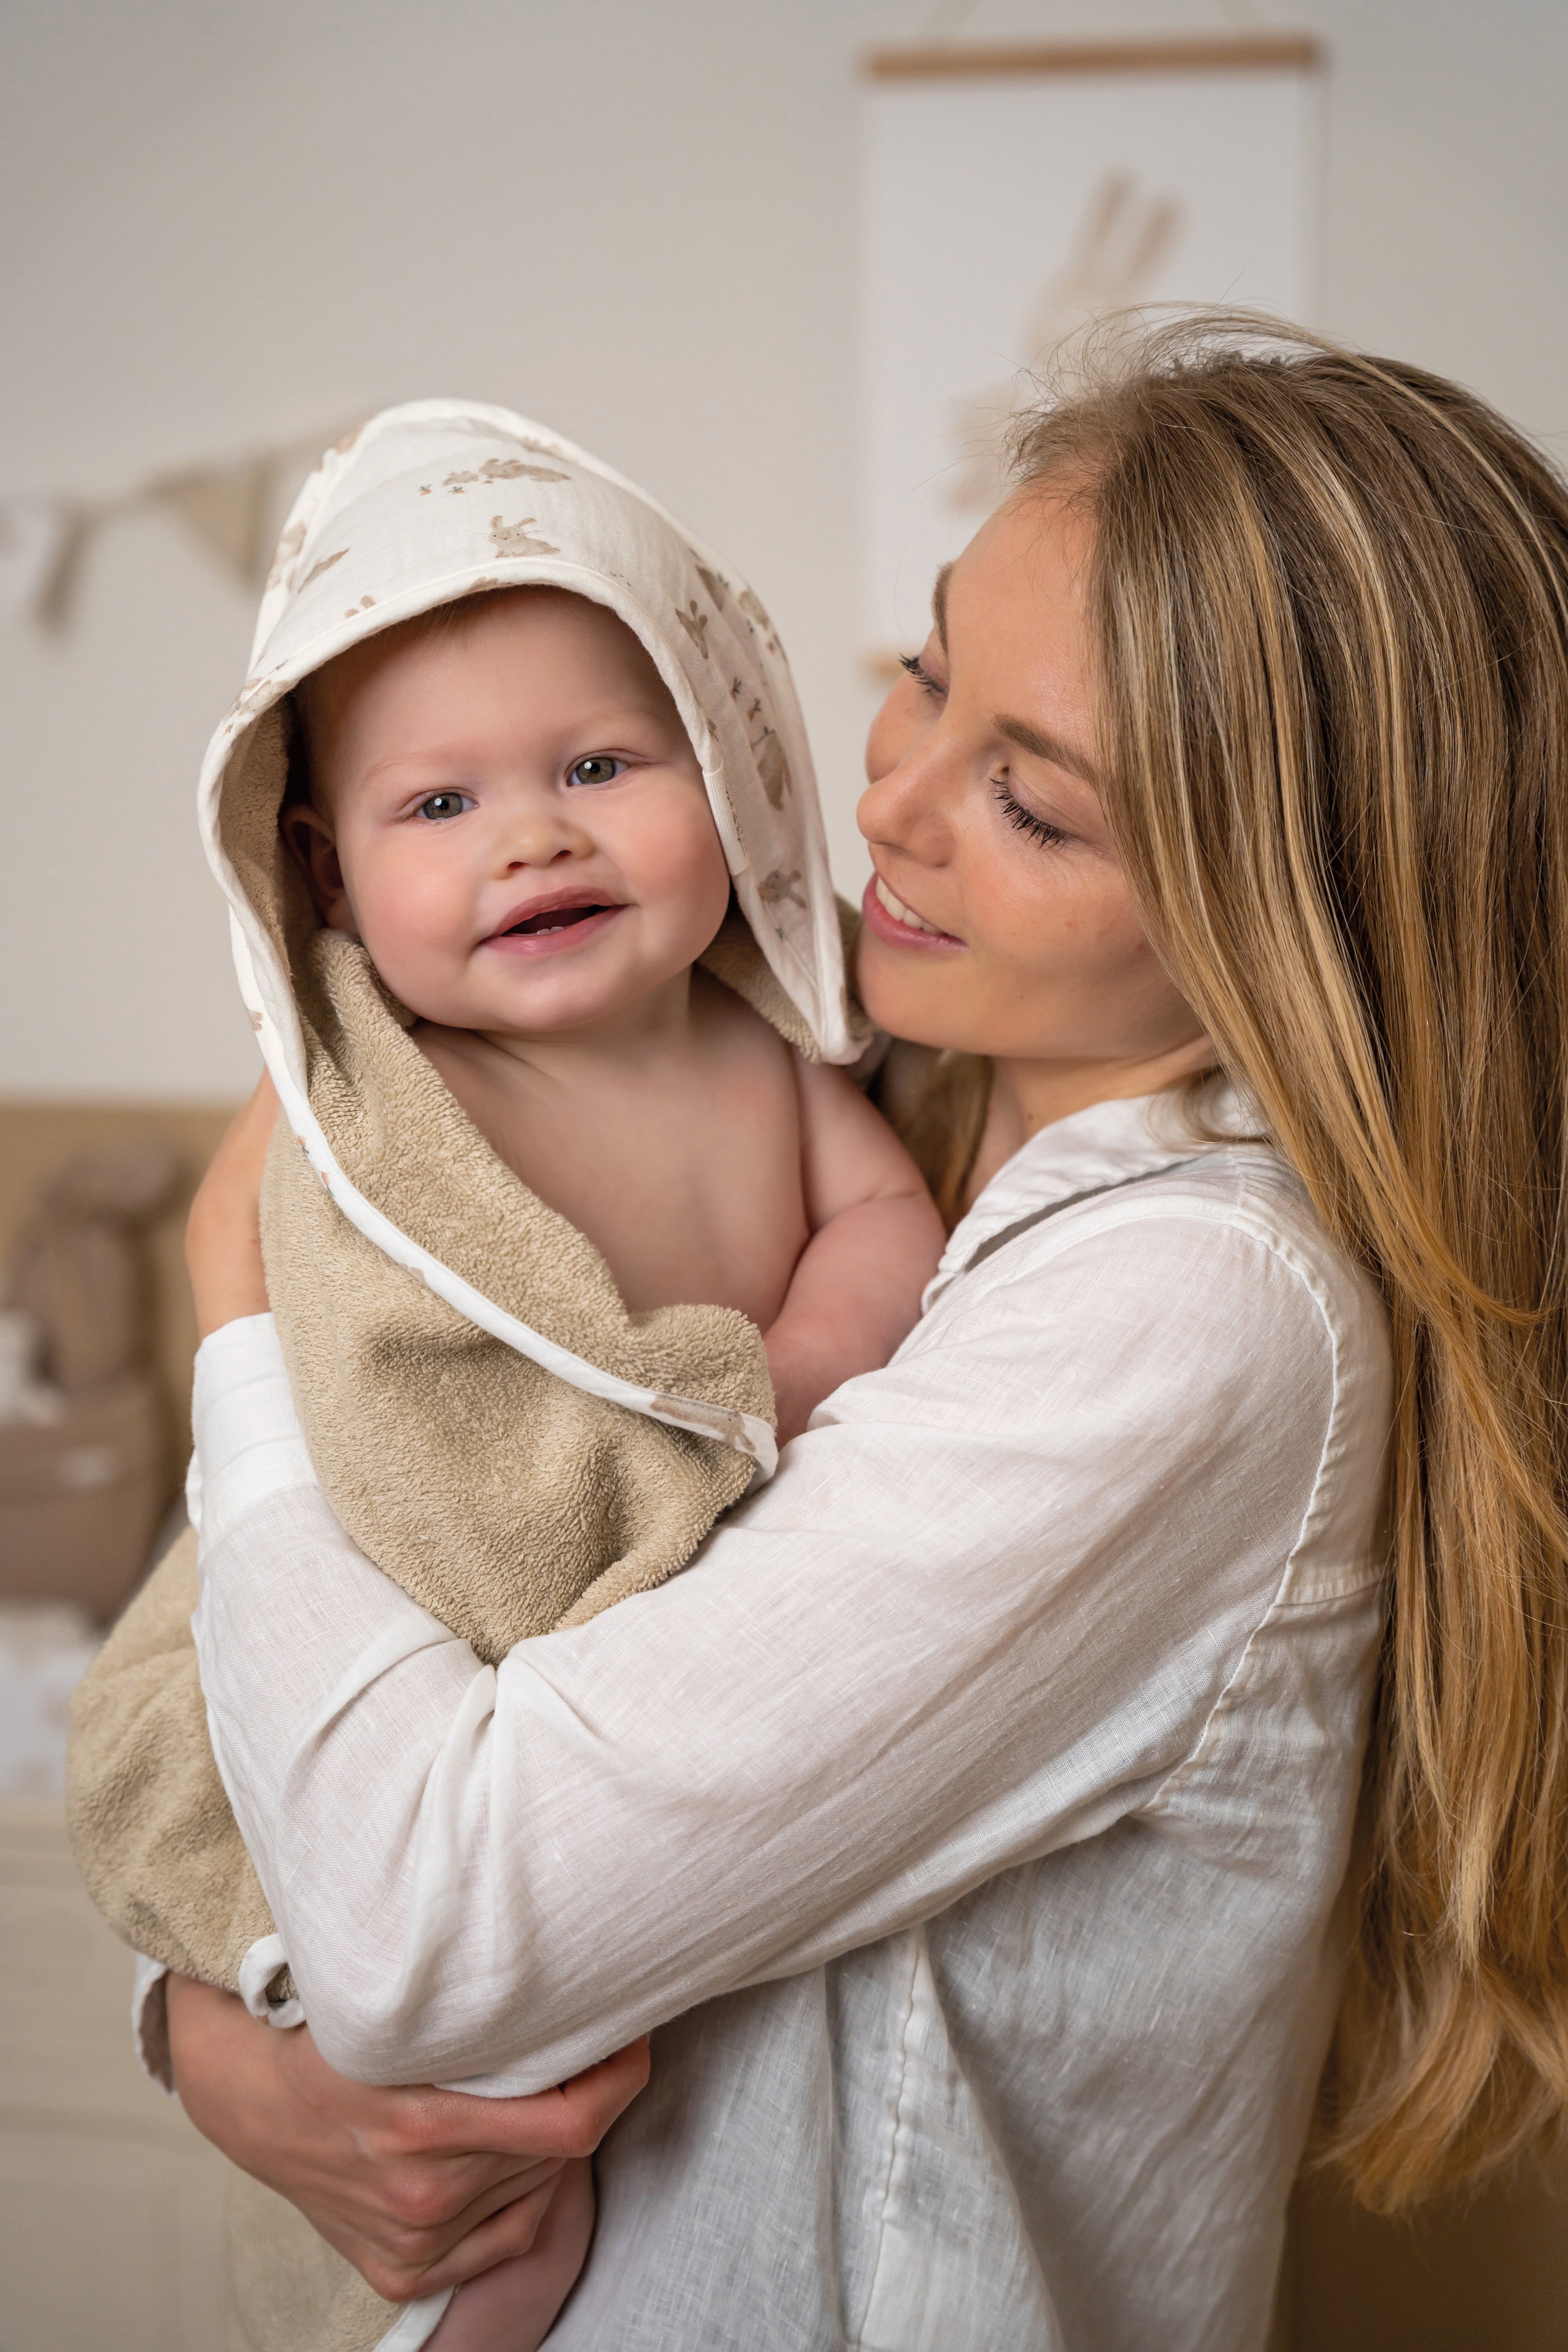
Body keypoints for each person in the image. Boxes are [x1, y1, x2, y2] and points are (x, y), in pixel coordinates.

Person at [158, 319, 1568, 2350]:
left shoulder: (1193, 1315)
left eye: (1039, 806)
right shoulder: (863, 1087)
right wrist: (214, 2017)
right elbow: (373, 1658)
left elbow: (429, 1922)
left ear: (1298, 905)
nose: (891, 797)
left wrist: (242, 1332)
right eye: (925, 670)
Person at [67, 399, 942, 2352]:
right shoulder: (391, 1113)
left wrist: (781, 1368)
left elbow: (886, 1224)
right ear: (318, 875)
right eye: (438, 806)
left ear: (721, 774)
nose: (532, 833)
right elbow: (383, 1402)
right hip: (435, 1608)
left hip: (644, 1702)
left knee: (584, 2100)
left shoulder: (777, 1056)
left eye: (599, 766)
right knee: (506, 2220)